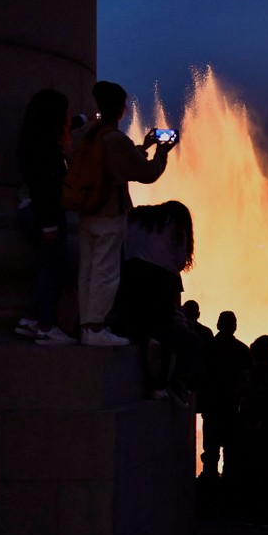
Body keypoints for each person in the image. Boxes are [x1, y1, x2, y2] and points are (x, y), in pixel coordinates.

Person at [77, 80, 176, 346]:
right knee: (106, 271)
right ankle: (95, 329)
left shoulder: (90, 135)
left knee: (87, 269)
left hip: (86, 211)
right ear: (120, 110)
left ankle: (85, 325)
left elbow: (118, 164)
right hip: (109, 213)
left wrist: (142, 147)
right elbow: (146, 174)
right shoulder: (115, 139)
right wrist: (161, 154)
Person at [15, 89, 83, 345]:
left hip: (35, 211)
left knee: (48, 266)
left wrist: (87, 119)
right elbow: (44, 188)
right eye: (66, 112)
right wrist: (49, 225)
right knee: (51, 270)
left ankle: (31, 320)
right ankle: (44, 325)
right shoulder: (47, 150)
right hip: (45, 214)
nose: (69, 117)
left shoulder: (34, 141)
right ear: (55, 117)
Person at [116, 201, 200, 403]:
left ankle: (145, 340)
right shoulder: (175, 219)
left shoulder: (136, 217)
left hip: (130, 274)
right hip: (162, 277)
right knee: (165, 332)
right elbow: (179, 259)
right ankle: (164, 385)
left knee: (139, 324)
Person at [200, 310, 250, 503]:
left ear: (218, 325)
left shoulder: (208, 349)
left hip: (212, 410)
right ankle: (230, 498)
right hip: (232, 410)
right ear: (234, 326)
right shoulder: (242, 351)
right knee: (232, 455)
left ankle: (209, 498)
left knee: (210, 454)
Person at [235, 335, 268, 527]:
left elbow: (240, 395)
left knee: (252, 469)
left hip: (250, 427)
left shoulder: (248, 374)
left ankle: (252, 511)